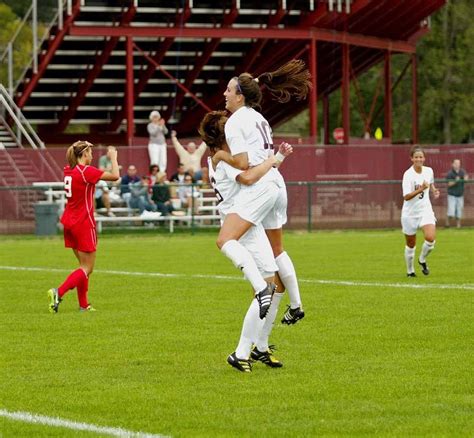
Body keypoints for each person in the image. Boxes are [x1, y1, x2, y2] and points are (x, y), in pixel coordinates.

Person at [212, 60, 310, 323]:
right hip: (276, 179)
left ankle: (261, 289)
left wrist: (222, 154)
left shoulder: (234, 121)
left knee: (225, 239)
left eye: (229, 90)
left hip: (260, 183)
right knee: (278, 250)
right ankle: (296, 305)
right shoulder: (260, 118)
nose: (225, 94)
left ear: (240, 95)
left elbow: (243, 165)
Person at [199, 110, 293, 372]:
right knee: (265, 287)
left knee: (273, 284)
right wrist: (274, 158)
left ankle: (245, 352)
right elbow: (249, 175)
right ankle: (247, 347)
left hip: (247, 218)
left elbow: (255, 168)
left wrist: (276, 159)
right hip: (238, 218)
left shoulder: (222, 157)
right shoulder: (224, 159)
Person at [47, 142, 120, 312]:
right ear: (83, 154)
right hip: (83, 222)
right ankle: (58, 292)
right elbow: (115, 176)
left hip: (69, 221)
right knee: (88, 268)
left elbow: (72, 152)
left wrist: (79, 145)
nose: (92, 155)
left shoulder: (69, 170)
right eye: (90, 151)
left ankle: (83, 305)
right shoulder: (86, 172)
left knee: (82, 266)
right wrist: (114, 158)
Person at [401, 146, 440, 277]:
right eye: (416, 157)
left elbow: (431, 183)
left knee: (430, 239)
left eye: (421, 157)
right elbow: (406, 196)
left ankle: (422, 259)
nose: (419, 159)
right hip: (410, 214)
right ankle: (410, 271)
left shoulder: (429, 171)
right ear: (411, 158)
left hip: (425, 210)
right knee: (411, 244)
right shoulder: (408, 174)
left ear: (424, 158)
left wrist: (434, 190)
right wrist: (421, 189)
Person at [446, 159, 468, 228]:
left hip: (460, 195)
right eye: (456, 163)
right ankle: (447, 224)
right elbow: (449, 184)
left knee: (459, 211)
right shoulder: (450, 173)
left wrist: (465, 178)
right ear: (452, 164)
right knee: (451, 211)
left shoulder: (462, 171)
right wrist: (456, 181)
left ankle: (458, 225)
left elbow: (466, 178)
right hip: (452, 195)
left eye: (458, 163)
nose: (457, 165)